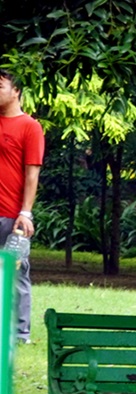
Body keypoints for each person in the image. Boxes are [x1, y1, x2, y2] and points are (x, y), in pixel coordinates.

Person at [0, 69, 45, 344]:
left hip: (12, 215)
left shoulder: (30, 126)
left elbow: (32, 173)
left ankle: (20, 334)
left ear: (16, 90)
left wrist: (25, 212)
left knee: (17, 272)